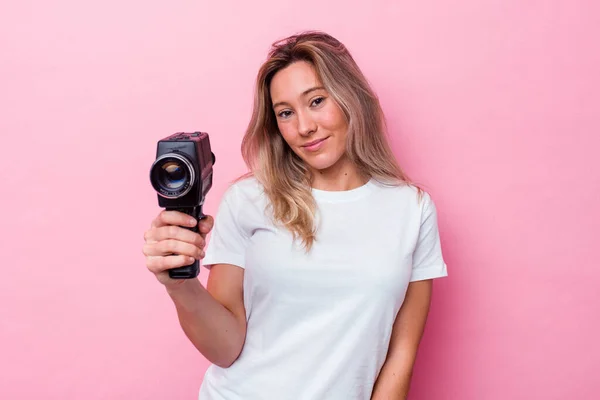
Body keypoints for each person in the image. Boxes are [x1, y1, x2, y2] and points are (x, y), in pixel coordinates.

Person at [142, 31, 448, 400]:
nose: (304, 127)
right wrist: (180, 285)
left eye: (316, 101)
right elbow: (225, 348)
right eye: (285, 113)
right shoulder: (249, 200)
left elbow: (401, 355)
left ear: (351, 98)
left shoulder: (411, 209)